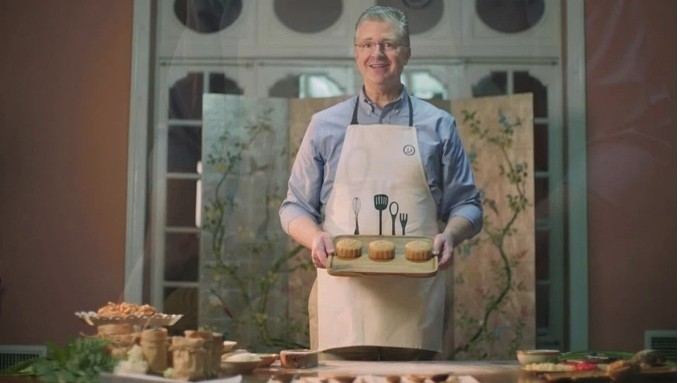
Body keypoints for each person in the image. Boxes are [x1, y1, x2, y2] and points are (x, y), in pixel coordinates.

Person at [279, 5, 482, 361]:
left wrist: (450, 236)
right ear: (356, 52)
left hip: (415, 302)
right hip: (342, 300)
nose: (377, 54)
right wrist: (315, 238)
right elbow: (294, 205)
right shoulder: (325, 125)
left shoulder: (439, 125)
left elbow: (468, 205)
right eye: (367, 44)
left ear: (407, 52)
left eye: (388, 44)